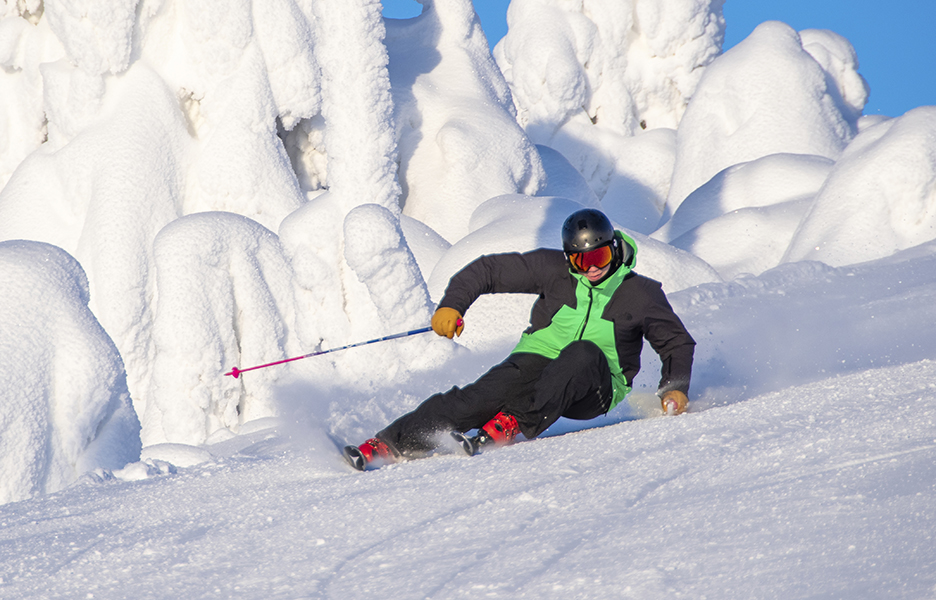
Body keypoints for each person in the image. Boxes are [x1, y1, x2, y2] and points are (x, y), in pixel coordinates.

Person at [343, 208, 695, 470]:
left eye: (599, 256)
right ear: (568, 257)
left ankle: (512, 422)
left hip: (594, 387)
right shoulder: (553, 270)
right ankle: (391, 443)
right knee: (479, 396)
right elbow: (488, 270)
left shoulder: (642, 294)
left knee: (583, 353)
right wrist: (452, 305)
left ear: (614, 249)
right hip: (538, 360)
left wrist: (674, 388)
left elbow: (676, 343)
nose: (591, 267)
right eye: (580, 259)